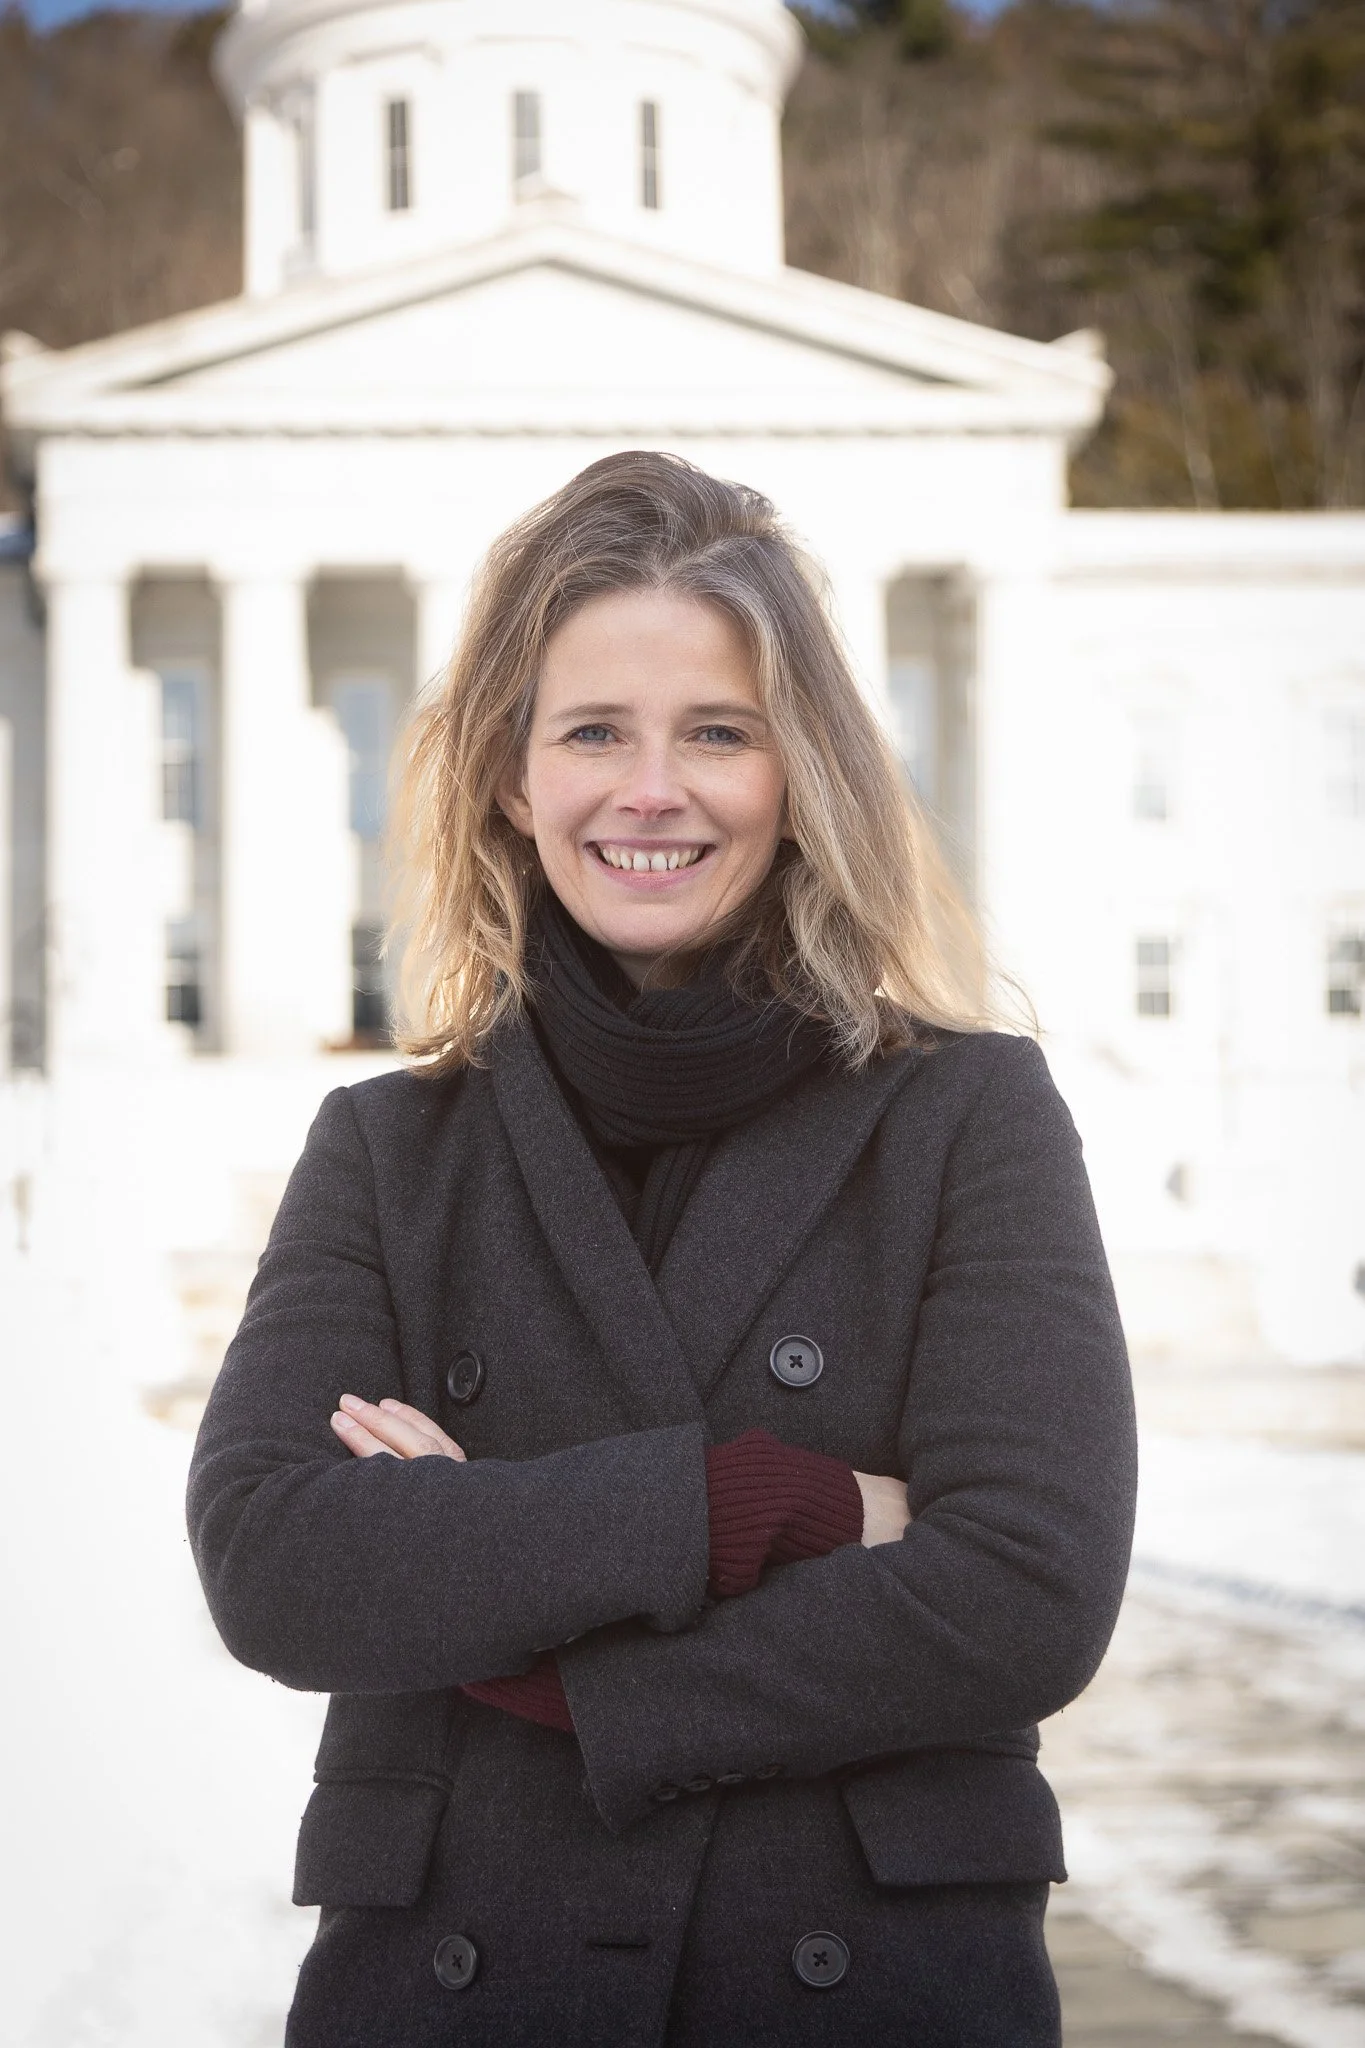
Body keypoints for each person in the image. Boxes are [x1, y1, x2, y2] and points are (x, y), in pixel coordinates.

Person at [185, 450, 1137, 2046]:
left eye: (717, 732)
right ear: (511, 777)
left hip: (863, 1990)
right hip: (456, 1987)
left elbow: (1027, 1589)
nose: (652, 789)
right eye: (593, 734)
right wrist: (760, 1506)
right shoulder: (391, 1149)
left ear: (801, 770)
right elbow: (276, 1560)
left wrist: (534, 1643)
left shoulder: (969, 1116)